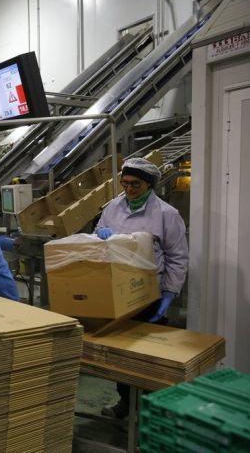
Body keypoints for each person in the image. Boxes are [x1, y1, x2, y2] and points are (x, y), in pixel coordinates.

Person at [95, 157, 188, 418]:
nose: (129, 190)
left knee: (147, 358)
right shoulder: (113, 207)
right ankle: (125, 402)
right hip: (119, 291)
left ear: (149, 184)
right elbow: (100, 230)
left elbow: (177, 256)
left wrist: (170, 293)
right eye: (124, 183)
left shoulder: (167, 214)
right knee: (122, 353)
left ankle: (151, 411)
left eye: (135, 184)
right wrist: (100, 232)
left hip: (150, 293)